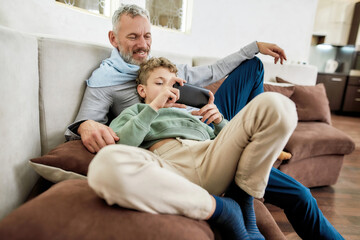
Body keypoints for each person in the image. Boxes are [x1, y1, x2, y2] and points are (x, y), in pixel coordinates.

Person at [66, 4, 344, 240]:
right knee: (301, 196)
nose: (142, 44)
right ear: (114, 38)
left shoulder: (165, 67)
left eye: (147, 36)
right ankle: (250, 165)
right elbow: (85, 123)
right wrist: (87, 125)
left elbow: (213, 71)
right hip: (168, 147)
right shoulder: (105, 83)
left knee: (254, 69)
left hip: (205, 130)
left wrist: (253, 49)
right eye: (133, 37)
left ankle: (259, 142)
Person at [88, 56, 298, 240]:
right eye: (160, 83)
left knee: (278, 105)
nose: (168, 89)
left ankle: (242, 199)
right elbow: (123, 144)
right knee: (105, 163)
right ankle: (225, 210)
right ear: (142, 90)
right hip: (168, 169)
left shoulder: (193, 115)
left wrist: (220, 121)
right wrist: (154, 107)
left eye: (173, 84)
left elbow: (238, 145)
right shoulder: (135, 112)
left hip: (211, 157)